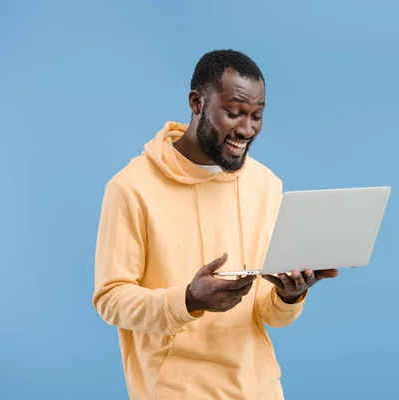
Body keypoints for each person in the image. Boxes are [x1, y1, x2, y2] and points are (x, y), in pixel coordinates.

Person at [92, 49, 338, 399]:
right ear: (197, 102)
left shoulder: (266, 184)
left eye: (256, 116)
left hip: (260, 389)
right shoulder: (131, 188)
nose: (247, 129)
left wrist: (289, 293)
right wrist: (188, 300)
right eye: (234, 112)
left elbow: (270, 314)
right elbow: (110, 299)